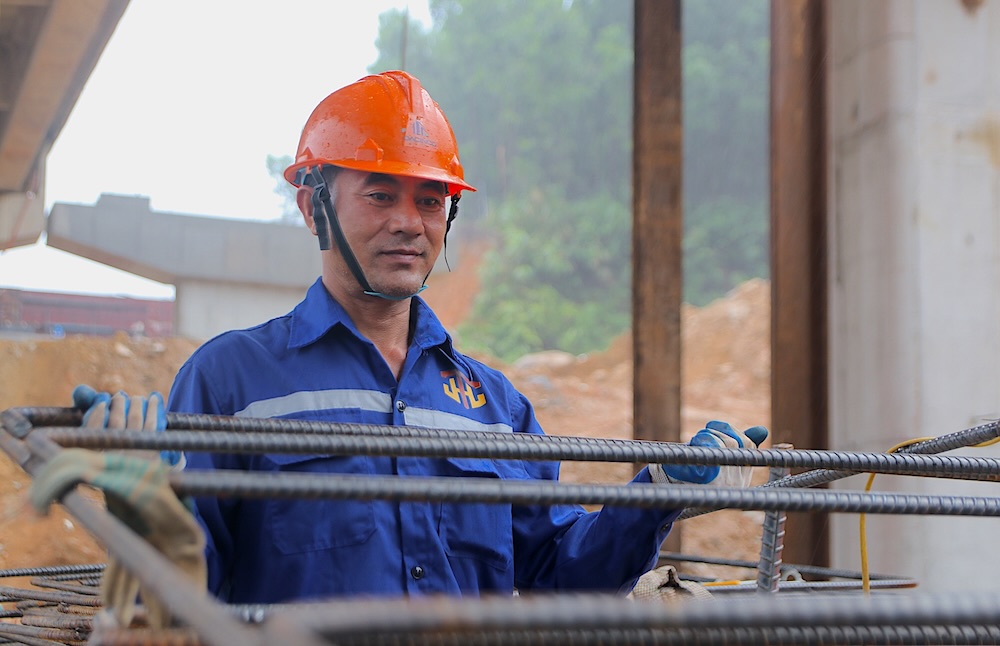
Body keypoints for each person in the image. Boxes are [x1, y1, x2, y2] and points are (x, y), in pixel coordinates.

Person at [71, 71, 767, 605]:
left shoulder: (495, 408)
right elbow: (188, 595)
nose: (410, 222)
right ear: (313, 203)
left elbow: (562, 574)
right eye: (380, 194)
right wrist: (147, 511)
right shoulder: (232, 379)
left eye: (430, 200)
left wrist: (659, 490)